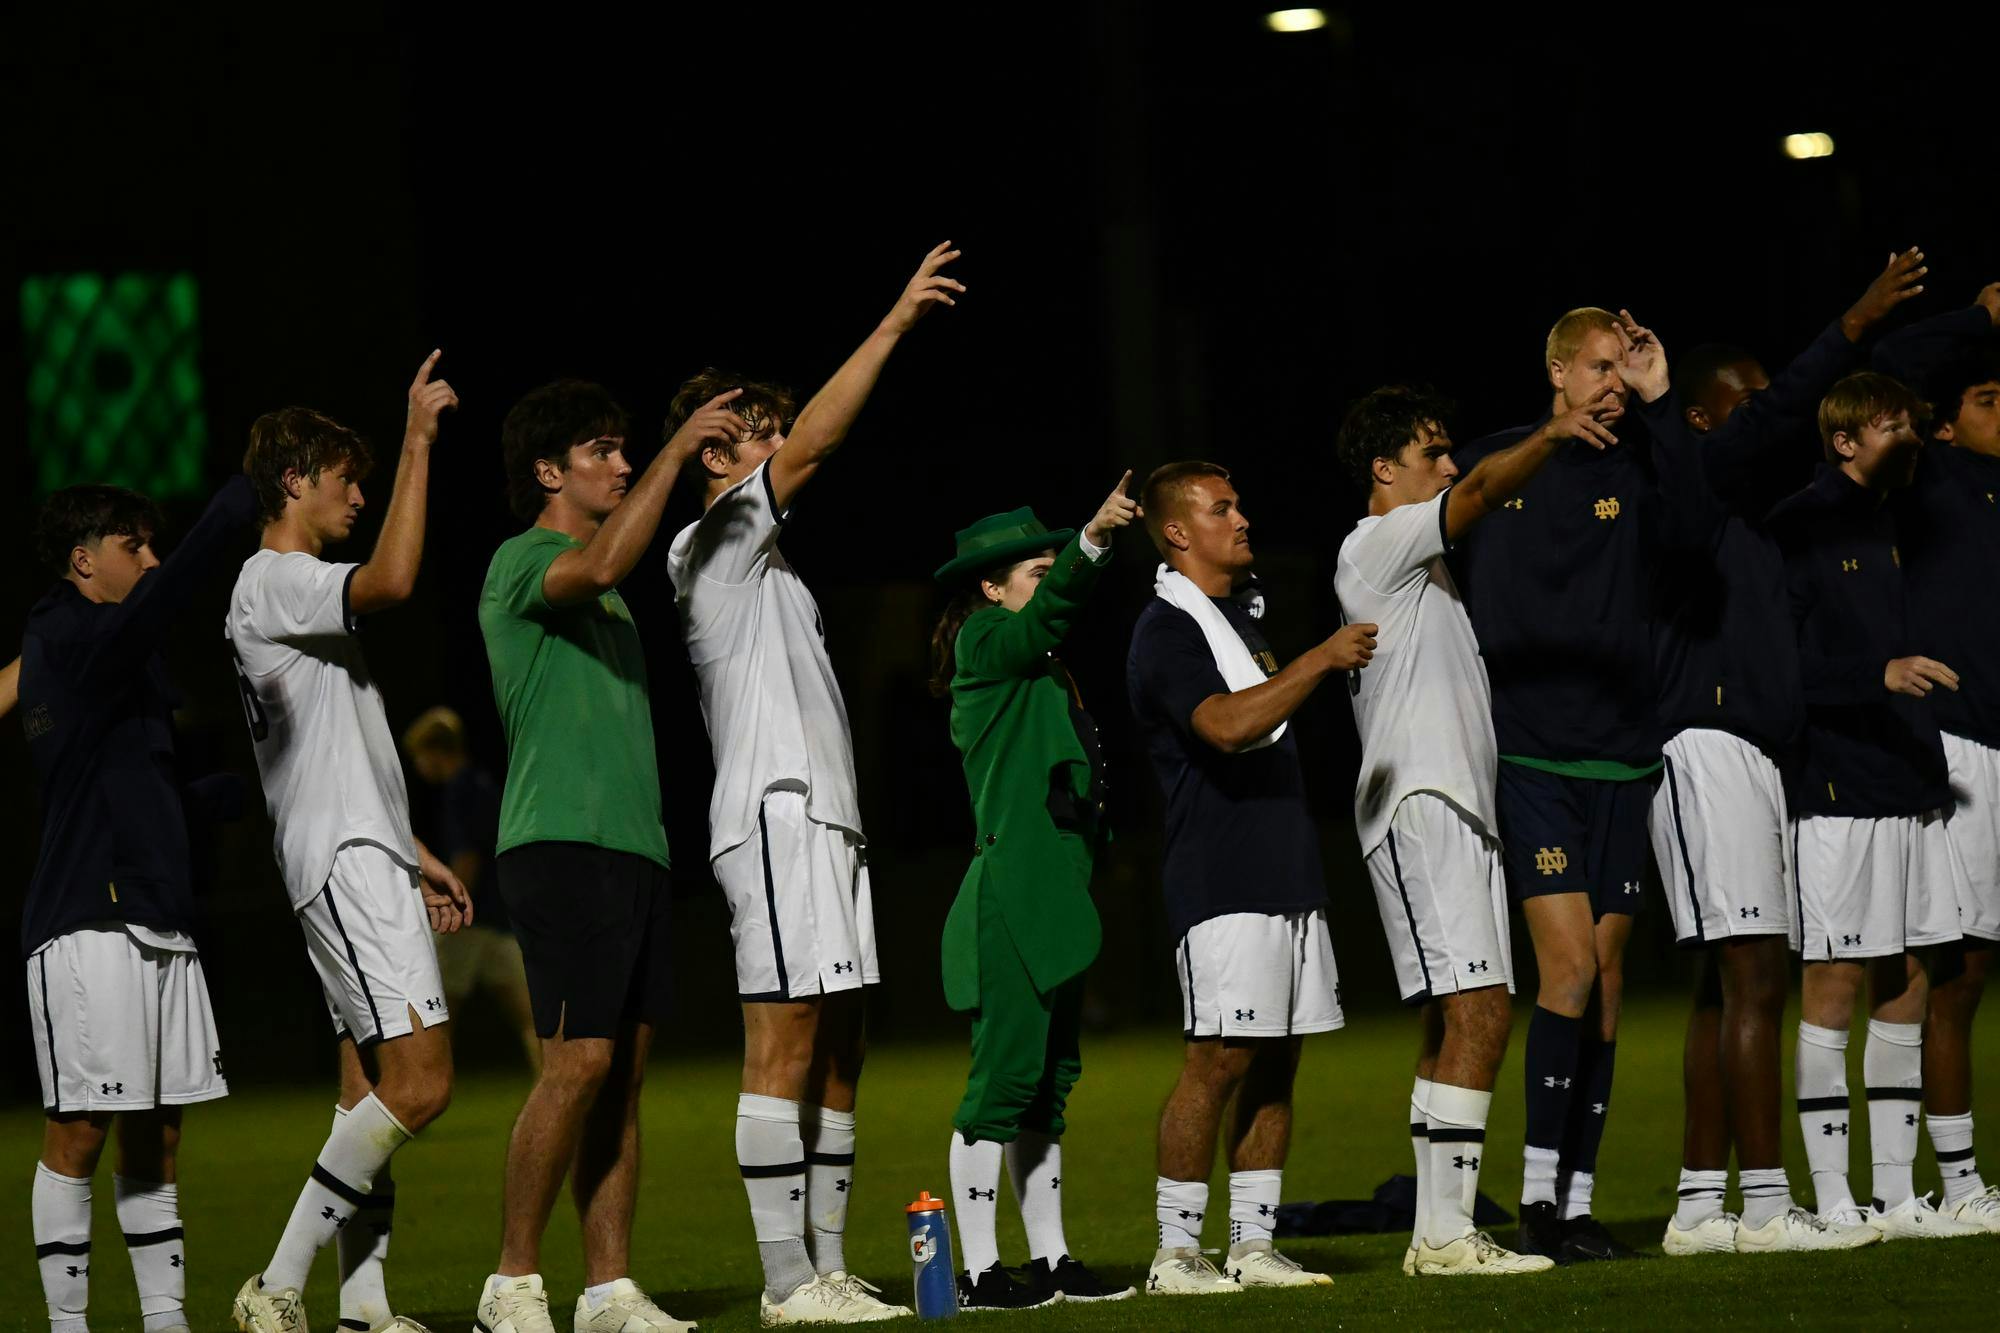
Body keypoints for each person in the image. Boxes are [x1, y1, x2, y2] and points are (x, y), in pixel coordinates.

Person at [664, 242, 962, 1324]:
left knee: (840, 1042)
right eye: (756, 427)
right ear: (712, 453)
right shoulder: (711, 541)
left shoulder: (771, 564)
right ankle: (785, 1279)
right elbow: (822, 444)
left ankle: (826, 1264)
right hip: (774, 810)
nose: (779, 438)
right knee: (781, 1039)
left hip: (823, 821)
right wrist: (890, 323)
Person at [1628, 253, 1925, 1256]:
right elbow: (1786, 405)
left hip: (1747, 749)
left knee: (1729, 985)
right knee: (1754, 972)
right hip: (1701, 745)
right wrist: (1849, 323)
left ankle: (1699, 1205)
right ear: (1707, 420)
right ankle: (1762, 1205)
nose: (1768, 412)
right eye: (1744, 401)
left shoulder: (1751, 516)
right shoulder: (1692, 481)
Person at [1334, 382, 1627, 1276]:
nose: (1449, 464)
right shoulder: (1380, 542)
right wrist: (1549, 434)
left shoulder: (1418, 569)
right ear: (1386, 470)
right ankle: (1450, 1234)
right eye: (1432, 450)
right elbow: (1480, 496)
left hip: (1443, 804)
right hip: (1427, 803)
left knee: (1449, 1023)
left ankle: (1437, 1229)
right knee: (1483, 1009)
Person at [476, 375, 745, 1333]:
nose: (624, 462)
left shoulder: (612, 581)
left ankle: (608, 1289)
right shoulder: (522, 561)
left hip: (633, 848)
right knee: (577, 1063)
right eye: (602, 450)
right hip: (559, 843)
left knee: (622, 1072)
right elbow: (595, 570)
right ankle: (510, 1282)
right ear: (549, 470)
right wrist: (678, 455)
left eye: (628, 448)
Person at [228, 355, 475, 1333]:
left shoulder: (285, 592)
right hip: (342, 864)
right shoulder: (277, 581)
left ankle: (364, 1306)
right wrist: (416, 439)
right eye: (345, 479)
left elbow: (334, 753)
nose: (360, 497)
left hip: (358, 851)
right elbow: (397, 578)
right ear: (294, 480)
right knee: (424, 1081)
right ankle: (276, 1285)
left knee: (366, 1091)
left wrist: (412, 848)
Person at [1126, 461, 1372, 1296]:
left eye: (1237, 501)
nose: (1241, 517)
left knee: (1278, 1059)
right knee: (1219, 1059)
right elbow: (1226, 726)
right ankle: (1175, 1253)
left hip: (1286, 868)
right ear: (1177, 532)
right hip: (1222, 876)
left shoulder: (1238, 619)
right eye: (1220, 507)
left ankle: (1255, 1244)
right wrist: (1320, 660)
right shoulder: (1168, 628)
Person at [22, 476, 258, 1333]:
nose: (151, 560)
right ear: (85, 561)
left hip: (158, 914)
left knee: (156, 1135)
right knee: (79, 1131)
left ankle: (165, 1321)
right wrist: (223, 521)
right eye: (135, 546)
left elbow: (113, 785)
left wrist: (200, 801)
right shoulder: (63, 631)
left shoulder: (118, 652)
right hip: (86, 921)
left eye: (157, 544)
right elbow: (142, 620)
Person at [1447, 309, 1656, 1261]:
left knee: (1606, 986)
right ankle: (1535, 1199)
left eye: (1623, 367)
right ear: (1558, 371)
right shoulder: (1496, 464)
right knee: (1566, 971)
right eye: (1599, 367)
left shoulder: (1640, 463)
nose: (1612, 382)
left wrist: (1659, 398)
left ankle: (1576, 1201)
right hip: (1533, 755)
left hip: (1624, 754)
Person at [1764, 370, 1984, 1241]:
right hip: (1836, 786)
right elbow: (1775, 671)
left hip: (1908, 777)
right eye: (1892, 427)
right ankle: (1831, 1193)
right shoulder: (1799, 524)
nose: (1910, 442)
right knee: (1837, 976)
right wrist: (1875, 676)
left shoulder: (1894, 524)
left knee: (1913, 972)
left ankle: (1896, 1196)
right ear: (1845, 440)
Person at [928, 476, 1141, 1309]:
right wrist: (1089, 542)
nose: (1047, 581)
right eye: (1033, 569)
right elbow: (1048, 615)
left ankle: (1050, 1260)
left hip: (1057, 890)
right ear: (990, 586)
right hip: (1014, 889)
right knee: (1004, 1082)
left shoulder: (1037, 664)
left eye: (1053, 565)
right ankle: (978, 1272)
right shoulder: (987, 641)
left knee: (1049, 1083)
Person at [1874, 282, 2000, 1231]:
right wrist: (1981, 321)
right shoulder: (1936, 480)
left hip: (1996, 749)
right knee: (1939, 968)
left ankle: (1942, 1182)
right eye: (1989, 401)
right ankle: (1944, 1185)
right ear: (1943, 428)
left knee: (1972, 968)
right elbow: (1894, 375)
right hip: (1951, 748)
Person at [403, 706, 539, 1073]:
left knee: (434, 1017)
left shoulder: (460, 791)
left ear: (434, 752)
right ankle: (561, 1094)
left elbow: (468, 858)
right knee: (531, 1017)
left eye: (418, 756)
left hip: (467, 920)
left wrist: (448, 906)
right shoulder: (483, 784)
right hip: (500, 918)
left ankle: (419, 1094)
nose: (418, 765)